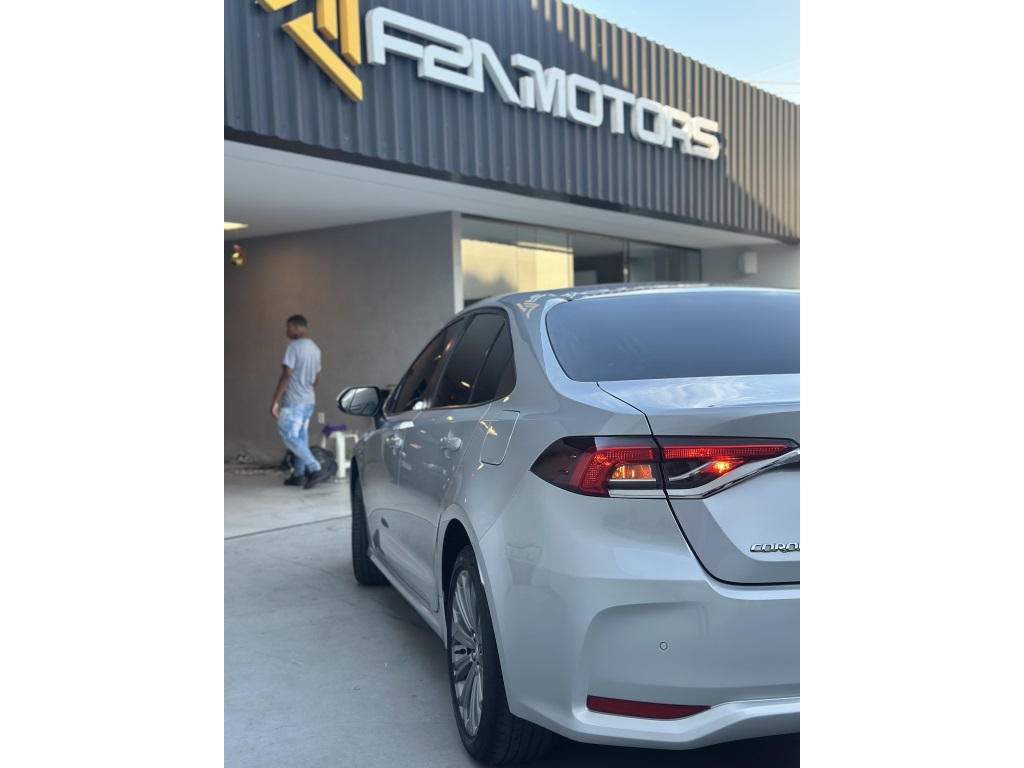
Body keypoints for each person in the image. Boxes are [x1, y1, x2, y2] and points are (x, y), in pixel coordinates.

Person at [271, 315, 332, 489]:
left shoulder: (293, 347)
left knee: (288, 434)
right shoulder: (315, 349)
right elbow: (317, 376)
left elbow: (287, 374)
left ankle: (315, 468)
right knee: (301, 438)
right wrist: (309, 392)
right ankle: (298, 474)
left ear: (297, 327)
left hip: (293, 401)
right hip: (308, 400)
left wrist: (275, 400)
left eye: (288, 327)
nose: (286, 331)